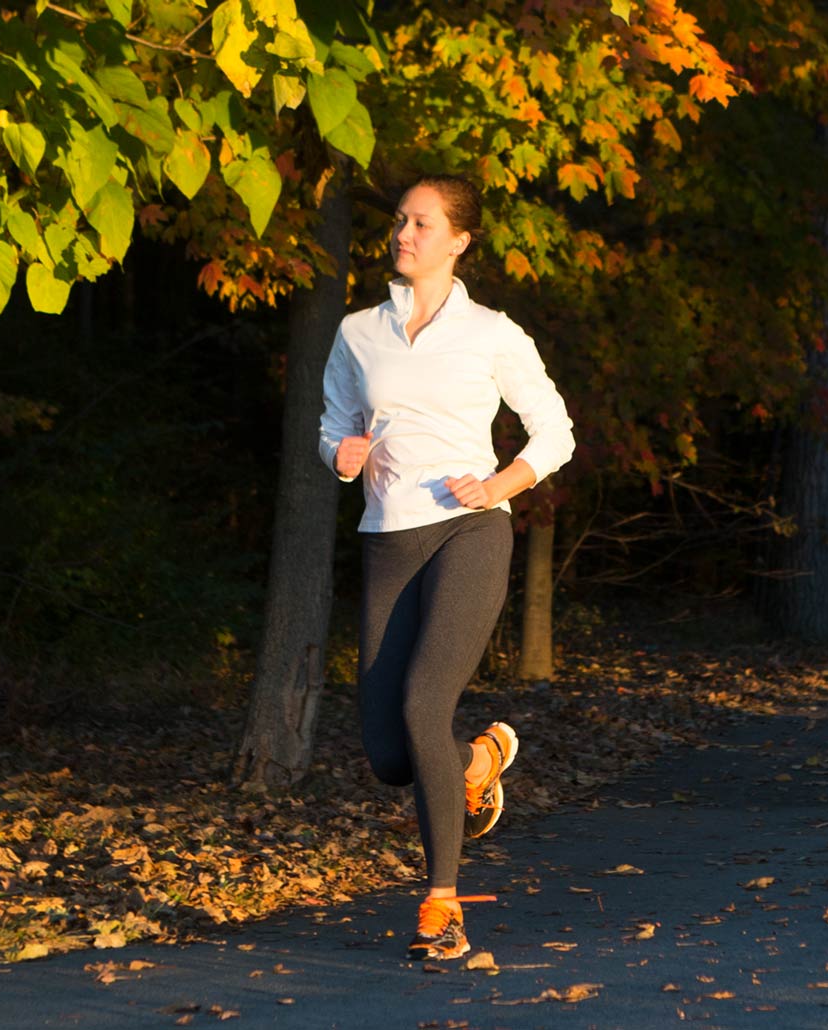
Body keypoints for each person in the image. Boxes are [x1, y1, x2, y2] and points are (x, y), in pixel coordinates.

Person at [316, 174, 576, 962]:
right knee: (391, 755)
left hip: (470, 530)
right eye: (400, 221)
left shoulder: (493, 333)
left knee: (425, 703)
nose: (404, 233)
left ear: (458, 241)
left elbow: (554, 431)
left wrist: (498, 485)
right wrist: (342, 455)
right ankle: (479, 760)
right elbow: (331, 424)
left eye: (421, 224)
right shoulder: (358, 333)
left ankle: (441, 906)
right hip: (389, 536)